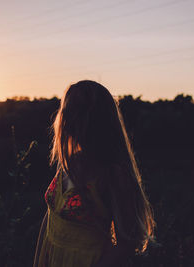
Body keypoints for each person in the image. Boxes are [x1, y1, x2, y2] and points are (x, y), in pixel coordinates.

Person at [33, 80, 155, 267]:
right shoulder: (70, 162)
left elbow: (128, 242)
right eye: (66, 110)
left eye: (75, 111)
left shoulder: (113, 173)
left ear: (95, 119)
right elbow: (51, 218)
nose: (65, 118)